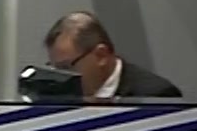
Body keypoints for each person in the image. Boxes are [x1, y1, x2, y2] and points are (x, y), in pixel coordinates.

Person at [43, 11, 182, 99]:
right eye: (54, 68)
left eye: (66, 67)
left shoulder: (155, 95)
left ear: (101, 55)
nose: (60, 79)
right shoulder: (57, 97)